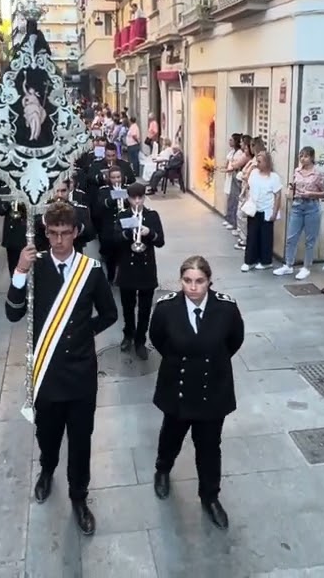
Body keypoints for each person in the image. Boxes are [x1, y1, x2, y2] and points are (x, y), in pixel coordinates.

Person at [5, 202, 118, 535]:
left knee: (81, 439)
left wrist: (85, 333)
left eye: (64, 233)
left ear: (75, 232)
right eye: (52, 234)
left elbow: (109, 314)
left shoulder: (91, 270)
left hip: (82, 372)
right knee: (47, 433)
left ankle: (79, 496)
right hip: (46, 372)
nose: (58, 241)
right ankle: (46, 469)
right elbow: (12, 314)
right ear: (45, 233)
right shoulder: (34, 266)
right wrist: (19, 272)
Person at [149, 256, 245, 529]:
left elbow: (234, 340)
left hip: (212, 389)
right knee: (171, 435)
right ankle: (163, 469)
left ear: (209, 282)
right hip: (177, 387)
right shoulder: (167, 308)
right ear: (181, 281)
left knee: (209, 446)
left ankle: (210, 496)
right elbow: (158, 339)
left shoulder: (225, 308)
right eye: (188, 281)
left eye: (199, 281)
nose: (193, 287)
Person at [113, 182, 164, 360]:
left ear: (144, 197)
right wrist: (129, 233)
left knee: (144, 309)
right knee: (127, 307)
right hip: (127, 268)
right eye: (133, 198)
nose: (137, 201)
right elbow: (114, 239)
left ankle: (141, 340)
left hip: (146, 269)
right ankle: (128, 334)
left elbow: (160, 241)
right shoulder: (123, 215)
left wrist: (149, 233)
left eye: (140, 197)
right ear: (128, 198)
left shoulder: (152, 216)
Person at [274, 147, 324, 280]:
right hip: (297, 205)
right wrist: (290, 191)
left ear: (312, 158)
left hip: (311, 206)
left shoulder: (318, 174)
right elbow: (293, 185)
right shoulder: (296, 171)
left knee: (310, 239)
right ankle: (288, 264)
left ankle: (306, 267)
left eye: (306, 156)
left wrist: (311, 194)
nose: (303, 159)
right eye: (301, 156)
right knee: (291, 237)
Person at [241, 151, 282, 272]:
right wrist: (247, 201)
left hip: (267, 210)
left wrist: (275, 212)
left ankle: (266, 261)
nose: (257, 164)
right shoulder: (253, 173)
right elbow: (249, 188)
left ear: (267, 162)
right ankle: (250, 261)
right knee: (252, 235)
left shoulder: (274, 177)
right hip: (254, 209)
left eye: (259, 161)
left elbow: (278, 195)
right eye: (256, 161)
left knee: (266, 237)